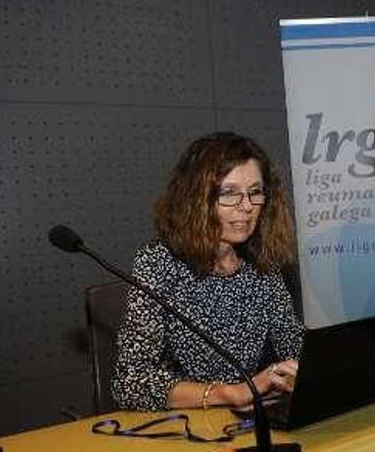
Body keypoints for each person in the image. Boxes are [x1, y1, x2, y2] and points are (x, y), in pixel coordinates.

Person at [111, 132, 304, 411]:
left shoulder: (262, 259)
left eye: (255, 191)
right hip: (186, 424)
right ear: (196, 199)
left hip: (249, 417)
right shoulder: (159, 262)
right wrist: (230, 393)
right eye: (229, 193)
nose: (247, 206)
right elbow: (130, 382)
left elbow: (291, 344)